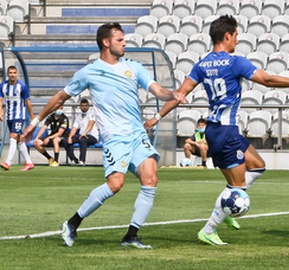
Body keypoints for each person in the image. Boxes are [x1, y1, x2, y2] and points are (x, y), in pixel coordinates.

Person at [144, 15, 289, 246]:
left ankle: (226, 207)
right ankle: (209, 228)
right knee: (236, 188)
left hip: (217, 130)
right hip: (225, 132)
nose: (237, 40)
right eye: (235, 36)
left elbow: (180, 93)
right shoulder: (235, 62)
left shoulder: (202, 64)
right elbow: (266, 80)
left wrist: (157, 116)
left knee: (258, 166)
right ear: (227, 36)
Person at [22, 22, 185, 249]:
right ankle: (72, 223)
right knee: (115, 184)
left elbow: (157, 90)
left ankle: (131, 235)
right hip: (115, 138)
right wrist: (36, 121)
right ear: (106, 42)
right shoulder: (89, 72)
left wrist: (173, 94)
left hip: (137, 134)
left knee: (151, 179)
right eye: (120, 40)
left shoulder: (134, 67)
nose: (125, 43)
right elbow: (60, 98)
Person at [0, 65, 35, 171]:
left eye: (14, 72)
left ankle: (8, 162)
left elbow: (28, 102)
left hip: (19, 116)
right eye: (10, 73)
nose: (12, 75)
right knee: (19, 139)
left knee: (13, 136)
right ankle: (29, 162)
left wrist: (32, 117)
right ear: (7, 74)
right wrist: (0, 111)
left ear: (17, 74)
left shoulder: (22, 86)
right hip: (9, 116)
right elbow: (0, 99)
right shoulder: (3, 86)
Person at [63, 98, 99, 166]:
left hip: (92, 136)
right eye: (82, 106)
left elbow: (91, 124)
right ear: (80, 107)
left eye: (86, 106)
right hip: (82, 135)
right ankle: (74, 160)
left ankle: (82, 161)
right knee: (65, 141)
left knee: (82, 140)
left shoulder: (92, 113)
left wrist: (84, 133)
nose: (84, 107)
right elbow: (74, 128)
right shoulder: (79, 117)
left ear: (88, 106)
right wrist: (70, 137)